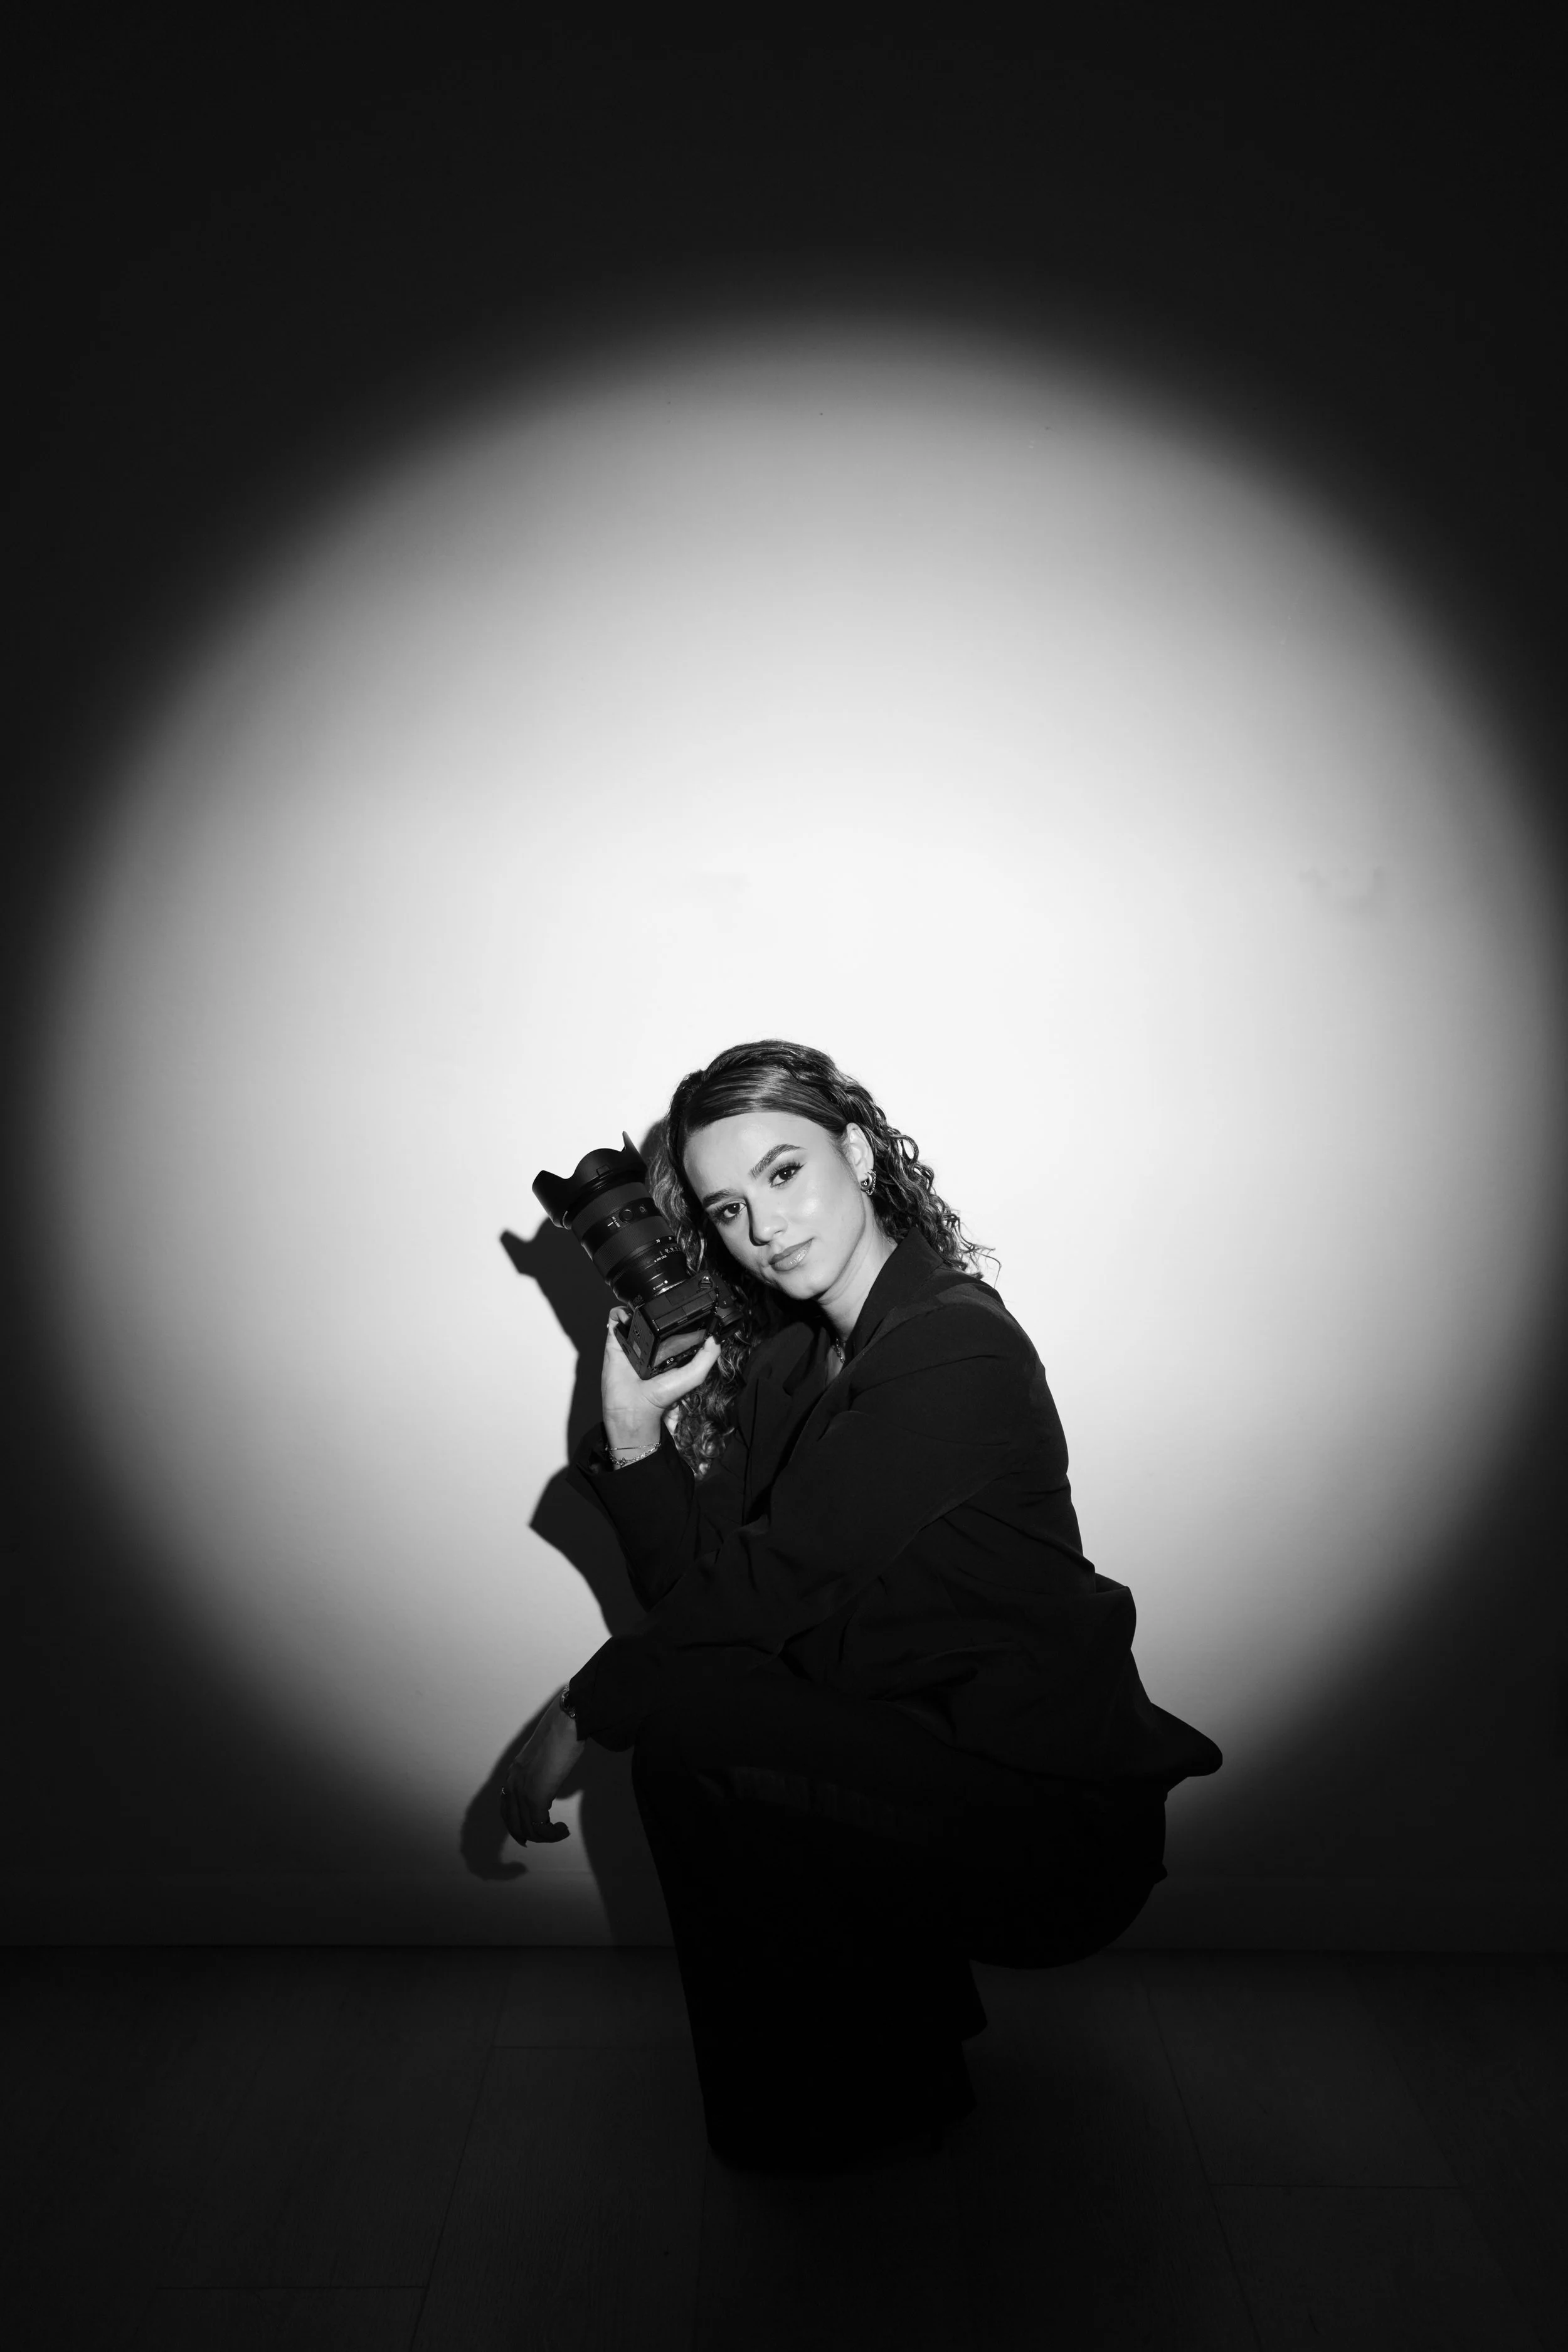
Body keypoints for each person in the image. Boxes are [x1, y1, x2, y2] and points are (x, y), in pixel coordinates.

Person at [502, 1039, 1221, 2175]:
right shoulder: (798, 1362)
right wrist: (636, 1435)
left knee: (683, 1742)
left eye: (784, 1174)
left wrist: (577, 1715)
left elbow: (756, 1595)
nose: (763, 1227)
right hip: (922, 1757)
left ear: (856, 1149)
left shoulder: (952, 1349)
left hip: (1049, 1819)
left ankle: (819, 2124)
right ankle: (890, 2067)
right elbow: (705, 1605)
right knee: (706, 1719)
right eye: (729, 1207)